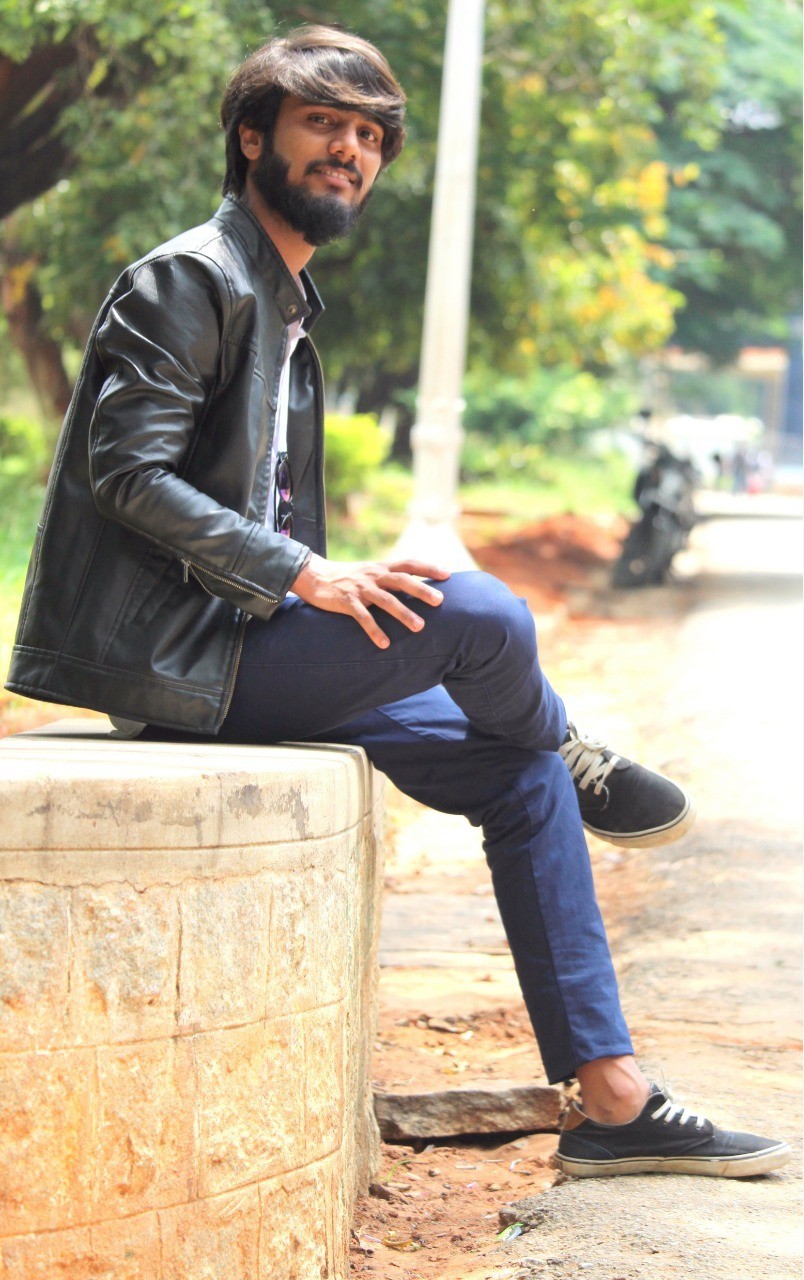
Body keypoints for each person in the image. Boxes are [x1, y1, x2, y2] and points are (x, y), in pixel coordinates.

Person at [5, 25, 788, 1179]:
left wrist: (320, 579)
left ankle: (612, 1099)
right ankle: (568, 740)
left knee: (517, 775)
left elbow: (250, 500)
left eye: (370, 136)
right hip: (182, 657)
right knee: (484, 615)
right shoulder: (189, 278)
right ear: (252, 137)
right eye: (323, 123)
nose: (351, 150)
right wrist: (305, 574)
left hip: (247, 638)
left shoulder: (286, 303)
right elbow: (128, 473)